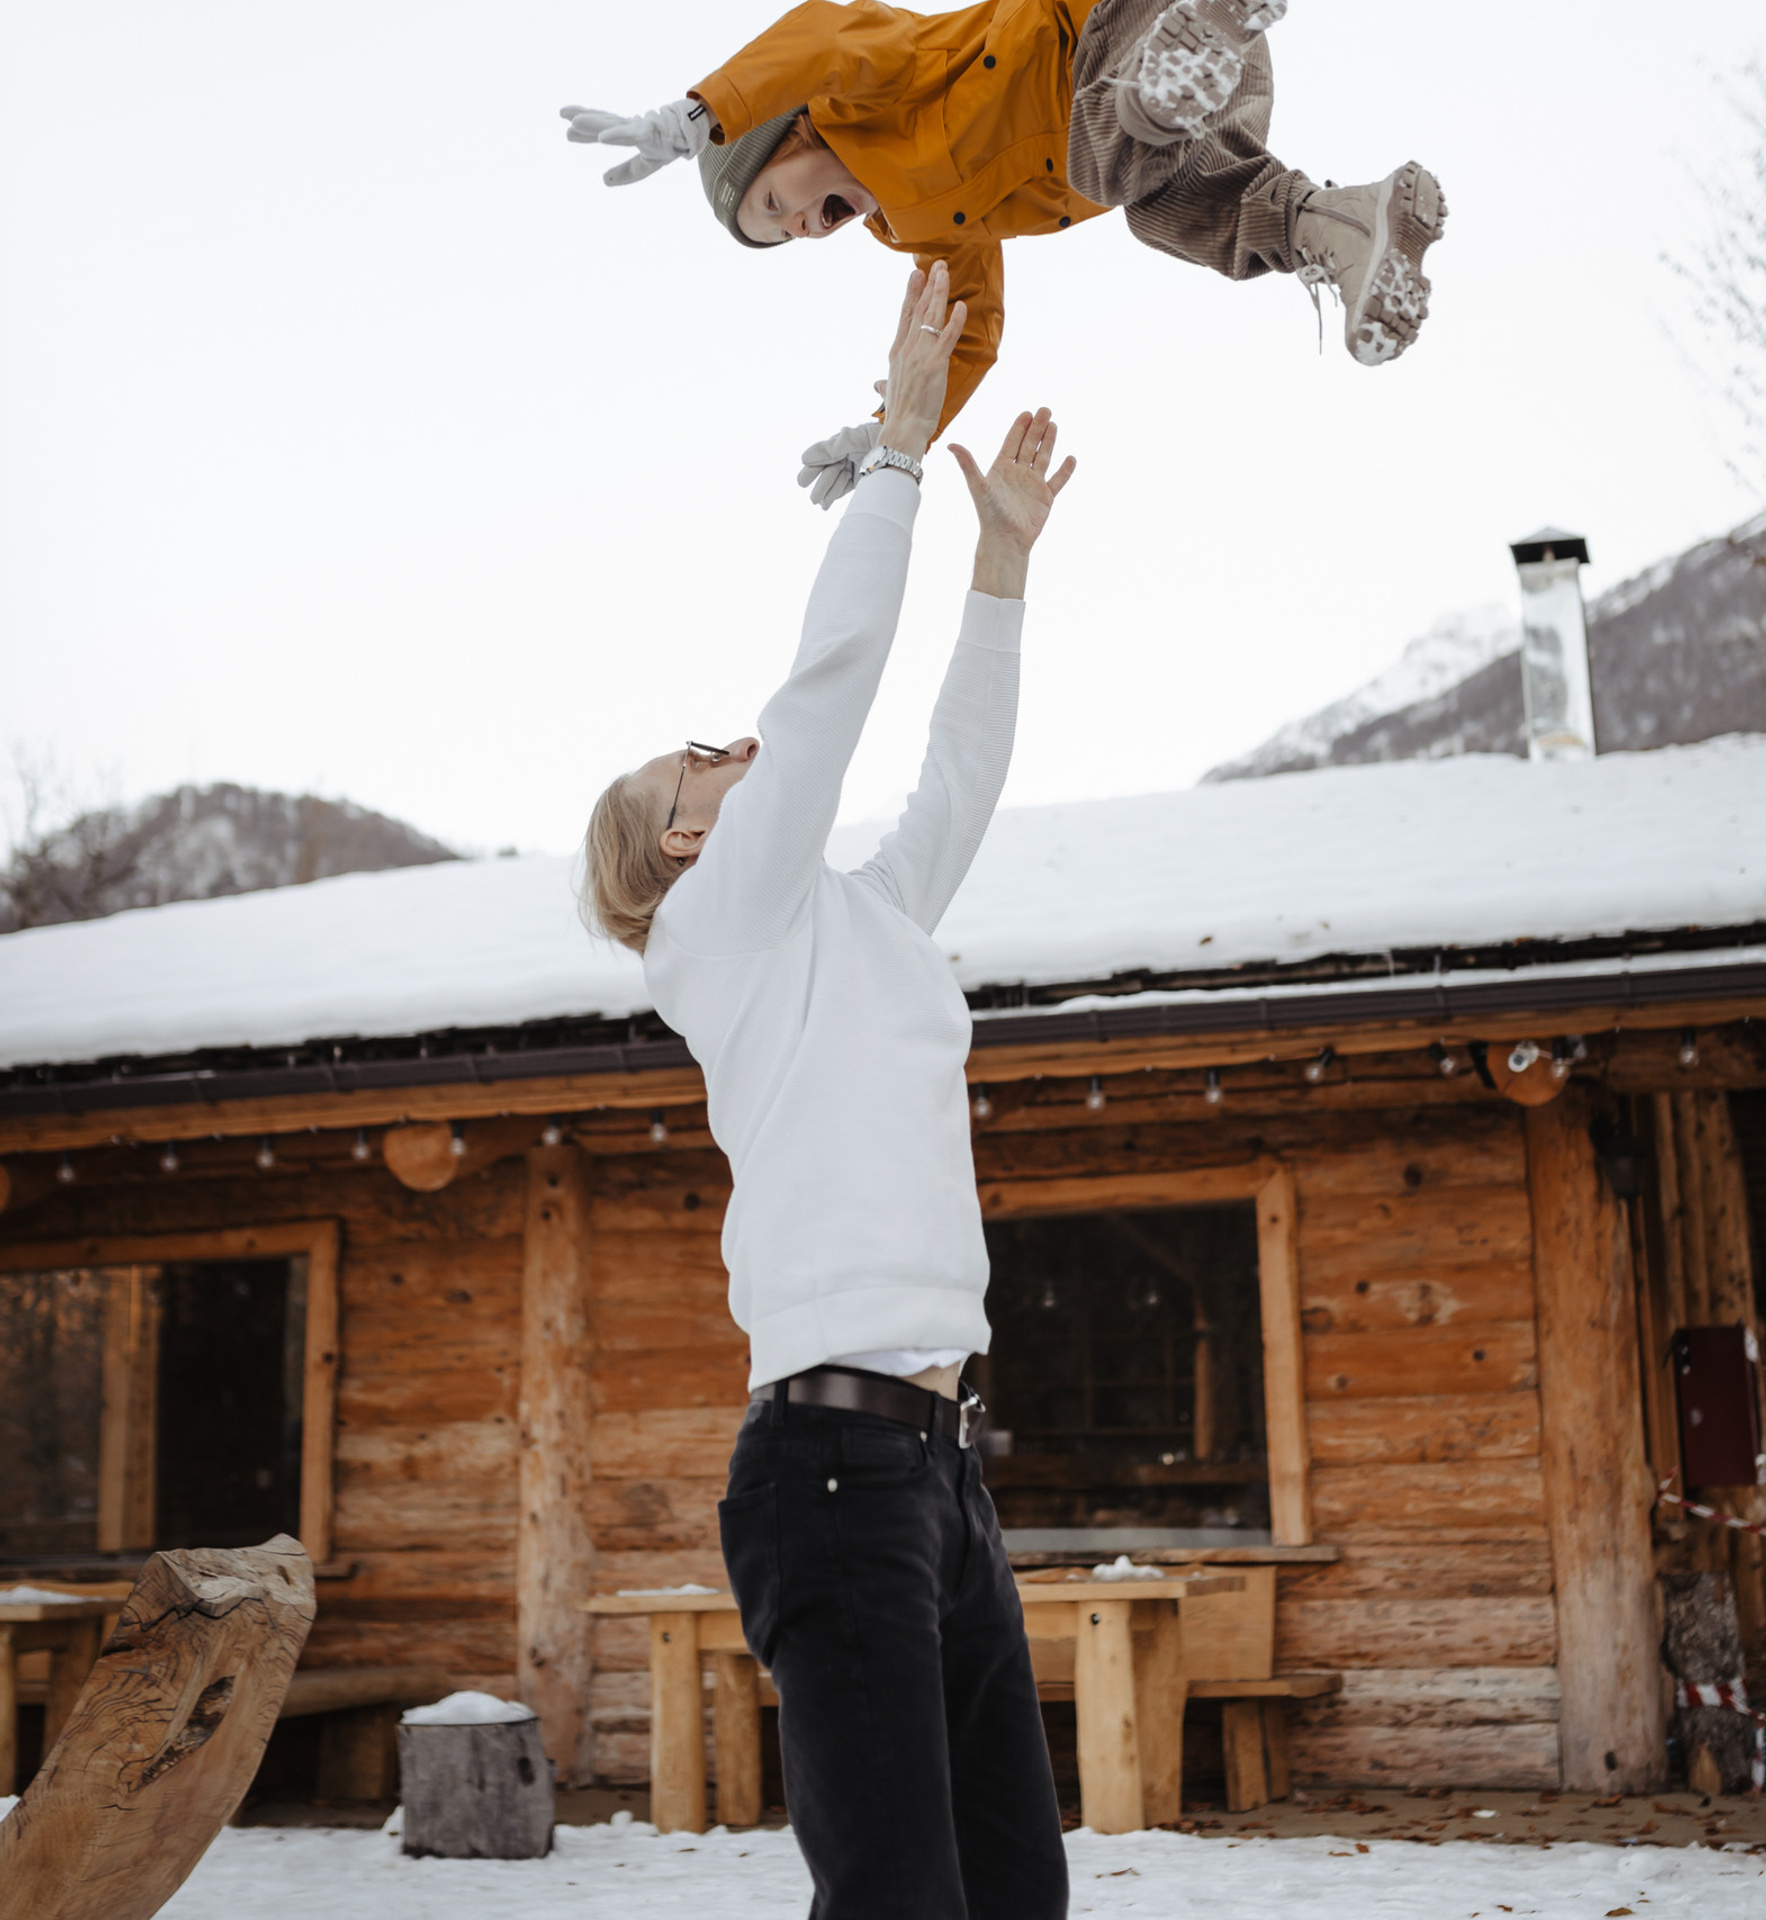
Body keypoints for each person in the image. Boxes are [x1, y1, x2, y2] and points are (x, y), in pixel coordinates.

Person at [581, 260, 1075, 1920]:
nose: (740, 755)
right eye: (703, 756)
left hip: (940, 1467)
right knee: (903, 1904)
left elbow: (956, 777)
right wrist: (893, 456)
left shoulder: (848, 922)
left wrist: (998, 564)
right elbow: (830, 697)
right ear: (675, 841)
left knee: (1014, 1896)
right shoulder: (717, 930)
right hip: (833, 1474)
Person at [563, 0, 1445, 504]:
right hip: (1215, 64)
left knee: (1107, 162)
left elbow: (821, 38)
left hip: (1112, 26)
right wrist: (893, 430)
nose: (796, 229)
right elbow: (971, 329)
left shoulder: (870, 85)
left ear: (785, 130)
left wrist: (699, 112)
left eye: (771, 203)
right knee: (1174, 210)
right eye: (780, 238)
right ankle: (1349, 229)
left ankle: (1160, 89)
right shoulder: (922, 231)